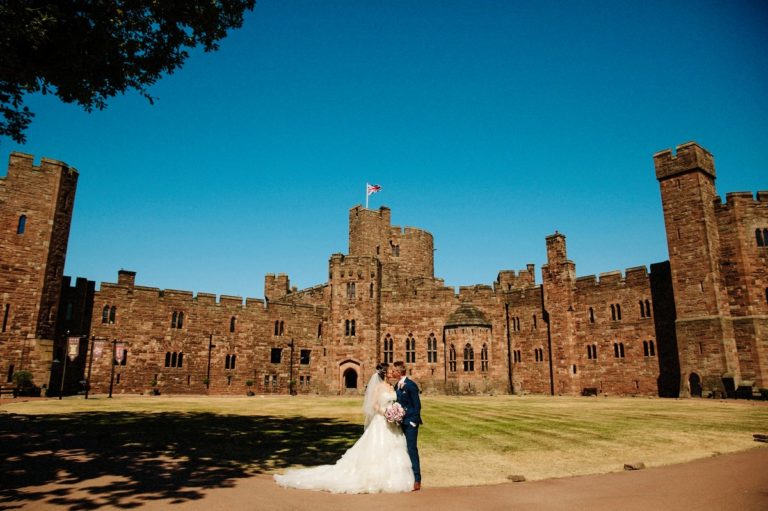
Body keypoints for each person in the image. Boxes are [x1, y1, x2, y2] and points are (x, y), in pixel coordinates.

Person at [273, 363, 414, 493]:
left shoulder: (393, 387)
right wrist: (385, 413)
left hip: (392, 425)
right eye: (390, 372)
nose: (393, 374)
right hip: (381, 421)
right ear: (384, 374)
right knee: (376, 450)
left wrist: (396, 412)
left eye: (393, 372)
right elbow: (373, 405)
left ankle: (390, 479)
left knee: (393, 450)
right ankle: (373, 479)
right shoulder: (378, 387)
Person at [392, 360, 422, 491]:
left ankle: (417, 479)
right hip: (400, 423)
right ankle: (406, 477)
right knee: (402, 449)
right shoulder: (396, 386)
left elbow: (417, 406)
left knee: (411, 449)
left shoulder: (411, 385)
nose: (392, 373)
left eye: (393, 371)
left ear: (399, 372)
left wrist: (413, 421)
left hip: (410, 423)